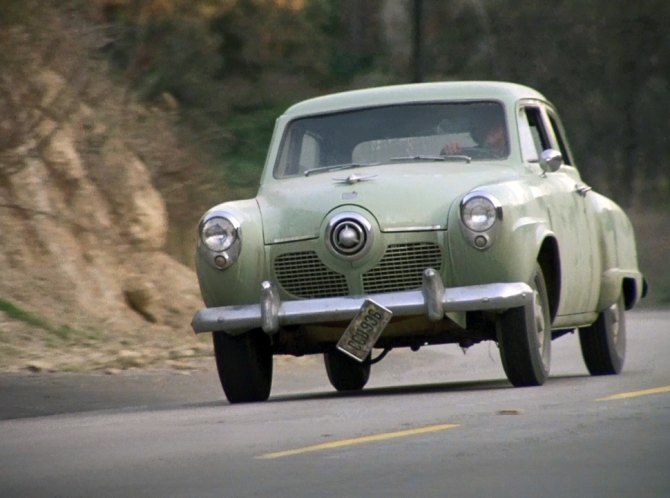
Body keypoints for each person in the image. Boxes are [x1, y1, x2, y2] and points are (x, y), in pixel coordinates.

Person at [441, 120, 507, 159]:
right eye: (485, 127)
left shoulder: (513, 153)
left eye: (496, 128)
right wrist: (449, 154)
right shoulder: (469, 154)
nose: (490, 132)